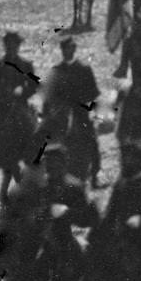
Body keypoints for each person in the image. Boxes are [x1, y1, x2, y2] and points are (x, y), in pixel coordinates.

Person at [42, 36, 102, 187]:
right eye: (65, 48)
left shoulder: (84, 69)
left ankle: (95, 174)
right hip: (62, 113)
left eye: (71, 48)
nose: (68, 51)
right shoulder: (56, 70)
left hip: (80, 111)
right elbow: (49, 95)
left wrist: (86, 103)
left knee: (91, 139)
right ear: (62, 50)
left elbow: (94, 92)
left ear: (74, 49)